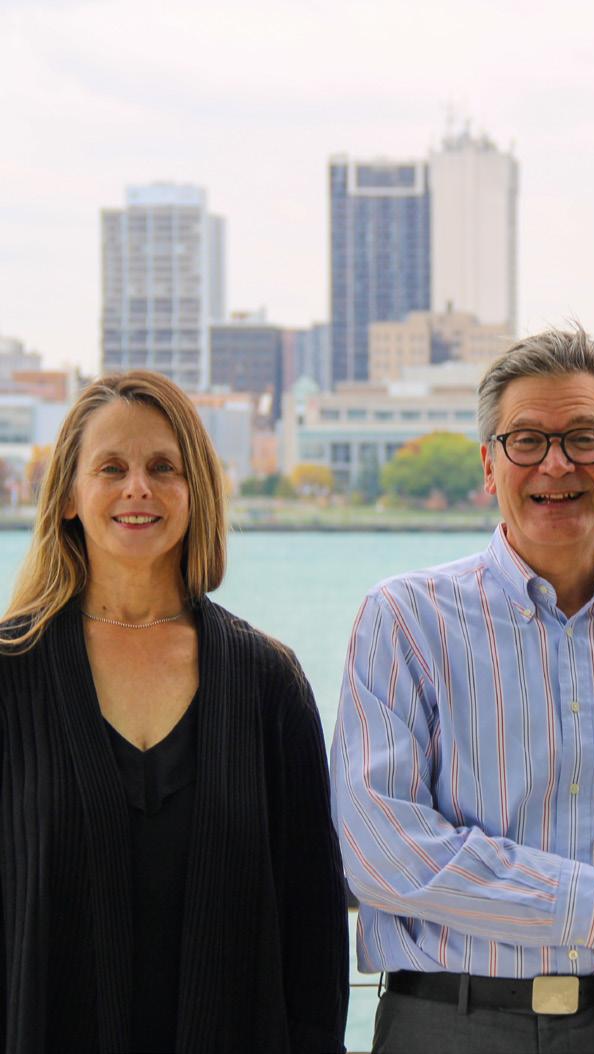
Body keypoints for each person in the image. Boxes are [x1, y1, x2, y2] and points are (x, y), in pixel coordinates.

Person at [331, 327, 594, 1054]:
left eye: (584, 438)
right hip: (448, 1025)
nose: (556, 463)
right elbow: (382, 850)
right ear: (490, 465)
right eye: (526, 440)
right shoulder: (404, 620)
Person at [0, 371, 349, 1053]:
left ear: (196, 493)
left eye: (164, 467)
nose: (138, 487)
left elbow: (314, 933)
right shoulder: (10, 676)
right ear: (68, 496)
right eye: (111, 468)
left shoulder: (269, 685)